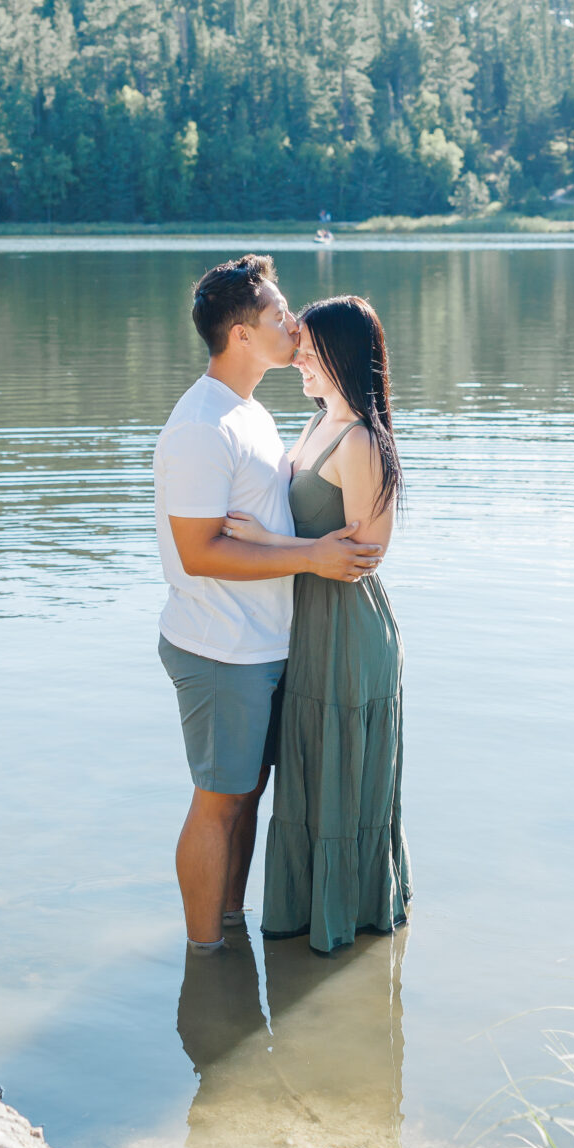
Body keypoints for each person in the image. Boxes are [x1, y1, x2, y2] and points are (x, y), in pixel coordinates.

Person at [155, 256, 383, 953]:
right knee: (219, 801)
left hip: (262, 643)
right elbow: (199, 552)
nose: (293, 322)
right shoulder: (202, 425)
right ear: (241, 335)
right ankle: (204, 954)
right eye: (278, 314)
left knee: (245, 797)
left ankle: (228, 931)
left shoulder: (247, 411)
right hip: (221, 647)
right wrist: (310, 557)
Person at [222, 295, 410, 953]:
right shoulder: (316, 424)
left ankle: (345, 922)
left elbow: (360, 559)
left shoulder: (359, 438)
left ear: (340, 353)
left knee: (340, 772)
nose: (297, 356)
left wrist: (263, 543)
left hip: (348, 630)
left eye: (308, 347)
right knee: (310, 771)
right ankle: (310, 911)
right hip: (306, 624)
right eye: (297, 344)